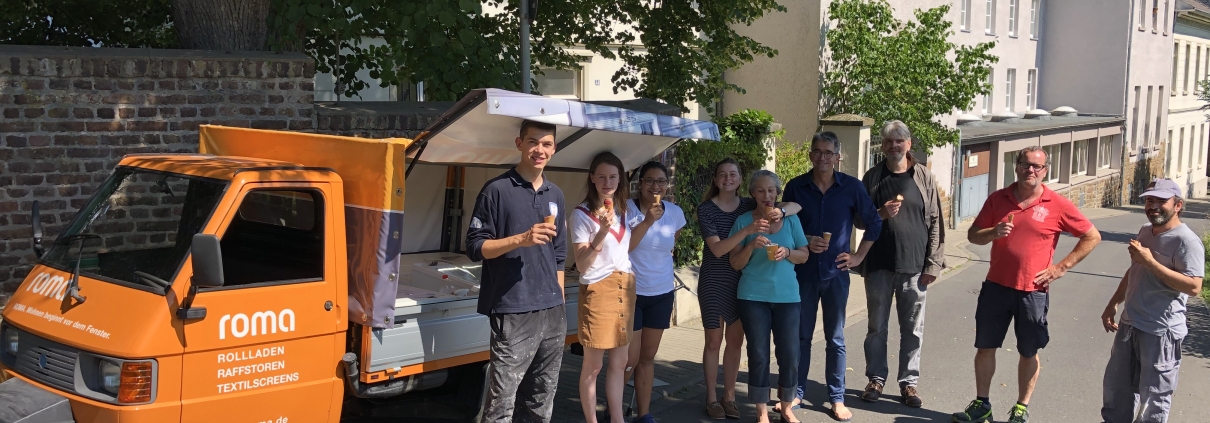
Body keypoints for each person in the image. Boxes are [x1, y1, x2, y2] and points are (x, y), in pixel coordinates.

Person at [953, 146, 1102, 423]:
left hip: (1033, 292)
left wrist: (1061, 268)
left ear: (1045, 171)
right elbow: (974, 236)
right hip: (996, 287)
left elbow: (1092, 236)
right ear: (1016, 166)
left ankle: (1021, 408)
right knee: (985, 347)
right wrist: (993, 232)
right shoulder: (998, 198)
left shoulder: (1057, 204)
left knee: (1028, 351)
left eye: (1036, 166)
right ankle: (982, 404)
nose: (1030, 170)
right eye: (1025, 164)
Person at [466, 120, 567, 423]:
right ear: (519, 143)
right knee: (501, 404)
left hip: (552, 311)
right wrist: (521, 239)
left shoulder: (555, 194)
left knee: (541, 401)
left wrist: (559, 300)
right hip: (512, 308)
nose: (539, 150)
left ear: (554, 148)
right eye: (533, 142)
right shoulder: (496, 190)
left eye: (546, 144)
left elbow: (559, 254)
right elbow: (475, 247)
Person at [780, 131, 882, 421]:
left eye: (828, 152)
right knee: (800, 337)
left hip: (836, 274)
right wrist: (805, 239)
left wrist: (858, 257)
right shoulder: (796, 187)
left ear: (837, 157)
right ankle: (796, 393)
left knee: (835, 338)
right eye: (817, 151)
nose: (822, 157)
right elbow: (784, 227)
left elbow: (874, 223)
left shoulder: (852, 187)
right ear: (810, 154)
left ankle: (837, 397)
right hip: (802, 273)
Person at [696, 158, 801, 419]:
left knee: (736, 343)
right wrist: (749, 233)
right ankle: (711, 398)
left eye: (733, 174)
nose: (727, 179)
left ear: (741, 180)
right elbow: (718, 250)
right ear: (715, 179)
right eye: (722, 174)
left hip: (740, 280)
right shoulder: (707, 209)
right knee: (714, 341)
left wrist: (783, 215)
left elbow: (794, 206)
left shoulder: (748, 203)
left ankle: (729, 397)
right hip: (716, 279)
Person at [856, 121, 945, 408]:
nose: (894, 146)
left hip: (915, 266)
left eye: (899, 141)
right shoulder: (872, 177)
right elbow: (858, 220)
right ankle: (875, 379)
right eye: (888, 141)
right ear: (882, 146)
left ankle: (909, 383)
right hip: (878, 265)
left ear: (908, 144)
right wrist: (880, 213)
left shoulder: (923, 176)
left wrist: (933, 264)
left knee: (913, 329)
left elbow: (936, 221)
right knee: (876, 328)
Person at [1100, 179, 1204, 423]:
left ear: (1178, 205)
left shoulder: (1186, 241)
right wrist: (1113, 303)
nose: (1153, 206)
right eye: (1149, 200)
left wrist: (1150, 262)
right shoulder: (1146, 231)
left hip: (1160, 331)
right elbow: (1135, 270)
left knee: (1153, 401)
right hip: (1130, 324)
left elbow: (1194, 287)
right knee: (1116, 394)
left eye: (1161, 201)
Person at [727, 170, 812, 423]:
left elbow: (804, 255)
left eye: (771, 190)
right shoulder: (744, 221)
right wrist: (751, 245)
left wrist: (787, 252)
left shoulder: (791, 220)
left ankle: (786, 407)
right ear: (752, 193)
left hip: (788, 297)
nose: (767, 195)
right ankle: (761, 412)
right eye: (761, 190)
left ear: (777, 193)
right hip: (753, 296)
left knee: (790, 353)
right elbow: (734, 263)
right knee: (759, 353)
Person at [572, 152, 637, 423]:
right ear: (592, 178)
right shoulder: (581, 214)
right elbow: (582, 265)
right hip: (598, 289)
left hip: (625, 286)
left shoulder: (624, 210)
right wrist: (600, 232)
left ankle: (617, 419)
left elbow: (626, 248)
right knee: (594, 365)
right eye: (601, 177)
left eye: (613, 177)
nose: (607, 182)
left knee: (620, 363)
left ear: (620, 179)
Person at [624, 161, 686, 423]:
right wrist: (648, 220)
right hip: (631, 294)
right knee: (628, 359)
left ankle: (644, 414)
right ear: (640, 184)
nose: (655, 186)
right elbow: (624, 246)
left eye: (661, 181)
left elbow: (671, 244)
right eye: (649, 180)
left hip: (661, 293)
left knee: (647, 358)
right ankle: (613, 411)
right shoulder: (626, 209)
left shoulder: (675, 213)